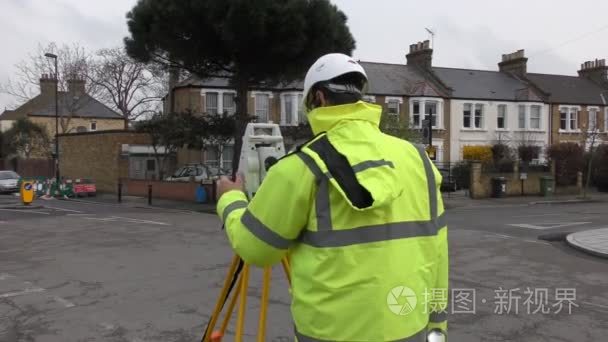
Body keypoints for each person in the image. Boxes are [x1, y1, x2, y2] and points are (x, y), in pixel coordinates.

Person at [216, 53, 449, 342]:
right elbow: (438, 252)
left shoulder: (300, 166)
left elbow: (256, 250)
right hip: (410, 328)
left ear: (319, 98)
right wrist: (438, 327)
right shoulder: (419, 160)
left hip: (330, 334)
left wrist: (231, 200)